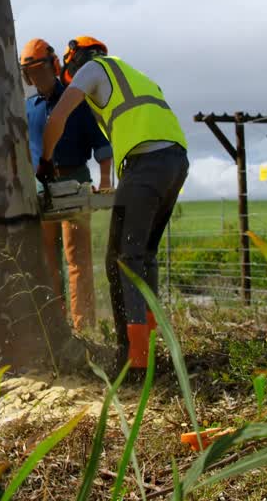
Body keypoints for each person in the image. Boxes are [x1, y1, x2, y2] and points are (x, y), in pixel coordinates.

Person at [36, 36, 189, 372]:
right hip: (175, 162)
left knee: (122, 261)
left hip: (146, 164)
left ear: (74, 61)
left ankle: (133, 360)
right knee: (143, 256)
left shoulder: (91, 69)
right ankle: (148, 349)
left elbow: (58, 117)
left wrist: (45, 161)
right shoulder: (133, 75)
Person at [19, 38, 112, 333]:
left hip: (75, 181)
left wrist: (106, 180)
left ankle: (84, 328)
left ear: (53, 66)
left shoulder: (75, 100)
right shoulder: (27, 108)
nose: (38, 77)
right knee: (47, 259)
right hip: (41, 187)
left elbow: (101, 144)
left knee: (77, 259)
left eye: (41, 69)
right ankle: (55, 327)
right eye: (31, 72)